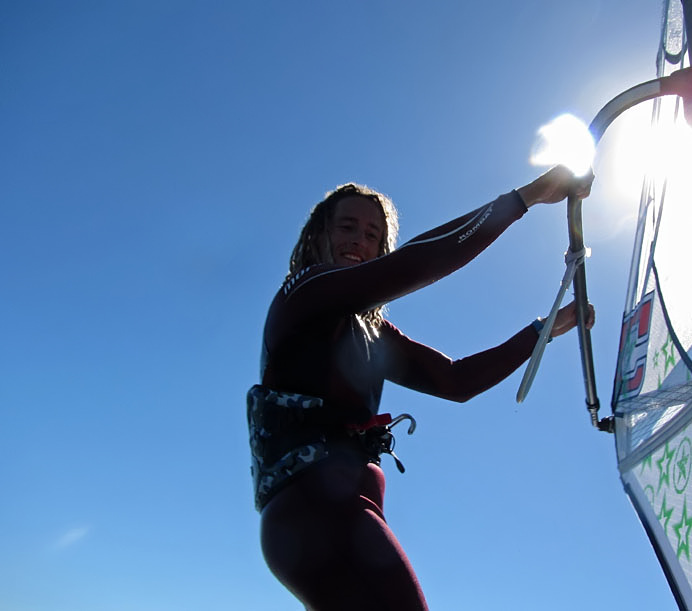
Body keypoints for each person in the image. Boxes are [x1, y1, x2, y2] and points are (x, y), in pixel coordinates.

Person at [248, 165, 594, 610]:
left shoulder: (371, 331)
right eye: (347, 227)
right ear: (318, 236)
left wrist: (543, 330)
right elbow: (415, 263)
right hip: (313, 510)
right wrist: (526, 197)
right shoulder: (304, 293)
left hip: (345, 507)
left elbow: (456, 381)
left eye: (372, 234)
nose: (358, 239)